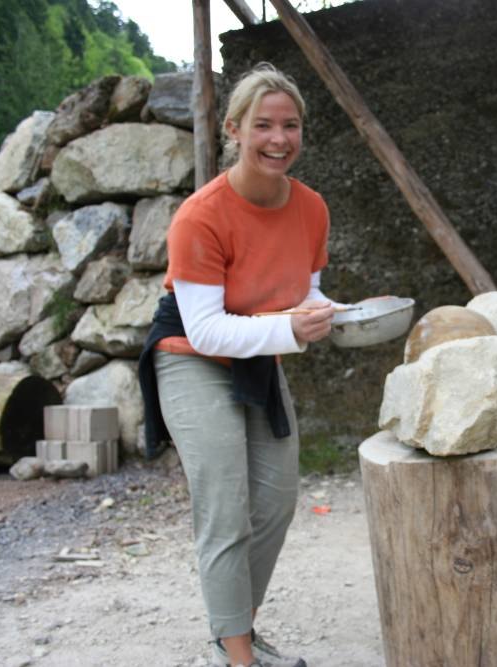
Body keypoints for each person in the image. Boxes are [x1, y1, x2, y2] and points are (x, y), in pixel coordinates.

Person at [138, 63, 341, 667]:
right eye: (263, 126)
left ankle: (237, 634)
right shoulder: (201, 216)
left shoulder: (312, 209)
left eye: (290, 125)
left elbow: (306, 291)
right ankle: (239, 658)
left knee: (275, 502)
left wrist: (331, 312)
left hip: (256, 354)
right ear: (234, 129)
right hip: (191, 356)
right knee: (225, 507)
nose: (279, 139)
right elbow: (204, 327)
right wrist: (289, 329)